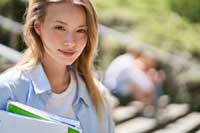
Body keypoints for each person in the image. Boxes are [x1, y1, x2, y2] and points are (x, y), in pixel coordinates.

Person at [0, 0, 115, 133]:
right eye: (60, 28)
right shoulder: (7, 90)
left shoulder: (99, 96)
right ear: (38, 26)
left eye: (81, 30)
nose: (70, 42)